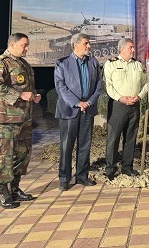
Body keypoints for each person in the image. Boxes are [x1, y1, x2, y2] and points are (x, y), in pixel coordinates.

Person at [0, 33, 41, 209]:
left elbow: (26, 88)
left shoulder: (24, 64)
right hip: (6, 119)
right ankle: (3, 194)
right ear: (12, 44)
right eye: (24, 45)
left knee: (23, 154)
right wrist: (20, 95)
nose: (27, 48)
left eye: (27, 45)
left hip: (23, 118)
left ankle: (15, 189)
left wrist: (34, 96)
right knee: (5, 156)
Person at [54, 33, 102, 191]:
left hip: (88, 109)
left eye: (89, 43)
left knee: (85, 145)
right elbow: (60, 87)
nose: (89, 46)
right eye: (86, 43)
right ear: (76, 45)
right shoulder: (62, 63)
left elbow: (98, 85)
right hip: (69, 110)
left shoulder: (93, 62)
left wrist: (89, 102)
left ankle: (82, 176)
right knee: (66, 146)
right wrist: (77, 103)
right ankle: (64, 178)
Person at [103, 38, 148, 179]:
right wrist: (120, 98)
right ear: (122, 49)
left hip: (134, 105)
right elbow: (108, 86)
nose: (133, 50)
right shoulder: (111, 64)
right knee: (114, 138)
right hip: (118, 105)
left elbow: (146, 84)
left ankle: (127, 167)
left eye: (133, 47)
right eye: (130, 47)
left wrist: (139, 96)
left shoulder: (138, 65)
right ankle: (110, 169)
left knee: (131, 137)